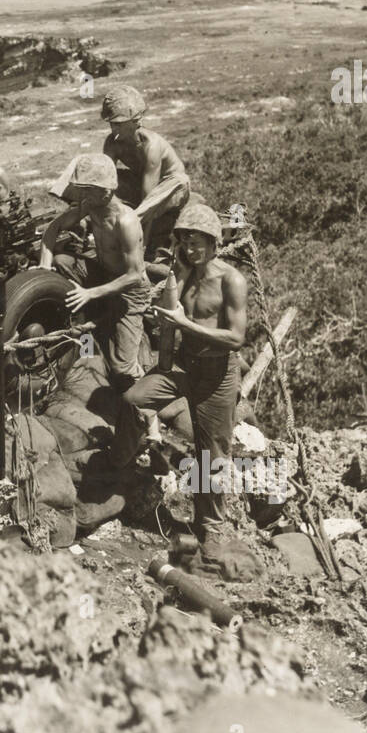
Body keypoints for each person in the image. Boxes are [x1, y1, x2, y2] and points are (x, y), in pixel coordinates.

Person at [113, 204, 248, 538]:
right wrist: (162, 347)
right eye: (185, 241)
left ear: (215, 243)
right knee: (133, 400)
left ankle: (210, 527)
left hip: (218, 373)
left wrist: (186, 323)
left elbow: (235, 338)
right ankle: (120, 471)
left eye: (198, 242)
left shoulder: (232, 280)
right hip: (183, 365)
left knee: (211, 457)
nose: (191, 249)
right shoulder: (182, 273)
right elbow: (169, 317)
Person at [39, 153, 152, 394]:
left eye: (88, 190)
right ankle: (85, 326)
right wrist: (43, 267)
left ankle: (150, 410)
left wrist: (91, 293)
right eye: (82, 189)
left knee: (122, 367)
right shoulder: (91, 205)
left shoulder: (126, 221)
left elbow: (135, 275)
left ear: (107, 190)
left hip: (131, 293)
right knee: (62, 261)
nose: (81, 196)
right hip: (104, 274)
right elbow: (54, 227)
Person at [99, 85, 191, 282]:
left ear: (136, 121)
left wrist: (141, 247)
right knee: (101, 183)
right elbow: (105, 177)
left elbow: (149, 197)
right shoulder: (112, 143)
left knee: (178, 182)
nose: (113, 129)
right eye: (111, 123)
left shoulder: (151, 145)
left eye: (119, 124)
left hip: (170, 187)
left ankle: (132, 233)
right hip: (140, 182)